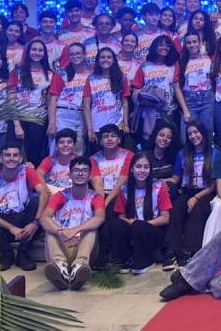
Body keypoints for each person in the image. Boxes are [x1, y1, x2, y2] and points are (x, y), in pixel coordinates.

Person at [0, 142, 48, 271]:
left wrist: (35, 223)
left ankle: (23, 252)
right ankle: (7, 252)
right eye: (7, 155)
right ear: (0, 158)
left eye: (15, 155)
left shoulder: (27, 171)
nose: (11, 158)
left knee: (37, 201)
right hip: (3, 226)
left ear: (20, 159)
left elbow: (43, 193)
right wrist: (11, 228)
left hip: (25, 223)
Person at [163, 119, 221, 269]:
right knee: (176, 208)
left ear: (202, 132)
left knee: (197, 210)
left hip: (206, 192)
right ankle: (171, 251)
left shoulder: (215, 153)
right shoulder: (182, 154)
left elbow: (214, 184)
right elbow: (176, 177)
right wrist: (159, 181)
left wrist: (197, 197)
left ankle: (189, 251)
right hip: (187, 190)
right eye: (189, 133)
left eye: (196, 132)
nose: (193, 136)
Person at [40, 156, 105, 290]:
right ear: (69, 175)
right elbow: (44, 217)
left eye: (84, 170)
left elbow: (100, 218)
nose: (80, 174)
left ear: (90, 176)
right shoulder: (60, 196)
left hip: (83, 248)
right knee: (50, 229)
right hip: (61, 245)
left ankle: (79, 267)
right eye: (76, 170)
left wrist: (74, 230)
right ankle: (60, 267)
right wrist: (61, 233)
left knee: (91, 229)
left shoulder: (95, 197)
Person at [110, 151, 172, 274]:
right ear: (131, 169)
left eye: (146, 167)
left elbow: (165, 218)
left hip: (153, 230)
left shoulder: (159, 186)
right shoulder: (125, 189)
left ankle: (145, 261)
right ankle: (124, 260)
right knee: (116, 224)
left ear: (150, 169)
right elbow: (121, 216)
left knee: (138, 226)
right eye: (138, 167)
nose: (142, 170)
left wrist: (141, 224)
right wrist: (130, 222)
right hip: (133, 226)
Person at [90, 124, 134, 268]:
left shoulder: (128, 156)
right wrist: (100, 203)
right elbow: (97, 183)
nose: (109, 139)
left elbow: (122, 183)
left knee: (110, 208)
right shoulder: (93, 159)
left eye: (113, 136)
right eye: (106, 137)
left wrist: (105, 203)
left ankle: (103, 252)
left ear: (119, 139)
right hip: (100, 194)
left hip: (122, 194)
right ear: (100, 141)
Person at [7, 38, 53, 166]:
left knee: (34, 156)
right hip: (18, 119)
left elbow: (51, 101)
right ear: (28, 52)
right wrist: (17, 125)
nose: (36, 53)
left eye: (40, 50)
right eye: (34, 49)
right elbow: (11, 100)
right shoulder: (17, 72)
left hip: (38, 120)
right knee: (14, 156)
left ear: (44, 54)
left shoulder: (50, 74)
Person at [132, 35, 180, 145]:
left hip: (169, 112)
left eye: (167, 45)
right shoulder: (144, 66)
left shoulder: (174, 66)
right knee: (148, 144)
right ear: (154, 47)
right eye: (160, 45)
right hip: (147, 113)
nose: (164, 47)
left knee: (168, 144)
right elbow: (136, 89)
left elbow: (178, 88)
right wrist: (142, 100)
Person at [83, 47, 131, 148]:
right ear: (98, 60)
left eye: (109, 57)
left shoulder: (121, 78)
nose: (105, 60)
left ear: (113, 60)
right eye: (102, 57)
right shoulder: (91, 79)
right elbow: (86, 105)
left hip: (117, 125)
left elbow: (124, 102)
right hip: (97, 125)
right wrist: (90, 129)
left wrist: (126, 124)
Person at [47, 42, 88, 156]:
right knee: (57, 151)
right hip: (63, 114)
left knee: (78, 152)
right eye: (72, 54)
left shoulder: (90, 75)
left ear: (84, 55)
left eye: (78, 53)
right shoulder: (61, 74)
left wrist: (88, 123)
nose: (75, 56)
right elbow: (53, 100)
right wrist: (52, 123)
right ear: (68, 56)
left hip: (81, 115)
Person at [175, 31, 215, 136]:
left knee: (207, 132)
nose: (192, 45)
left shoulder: (208, 59)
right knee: (185, 135)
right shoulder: (181, 62)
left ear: (200, 43)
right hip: (190, 102)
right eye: (189, 43)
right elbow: (177, 87)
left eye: (194, 42)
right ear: (185, 45)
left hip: (207, 100)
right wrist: (185, 109)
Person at [147, 122, 182, 199]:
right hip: (148, 189)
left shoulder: (174, 156)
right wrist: (157, 185)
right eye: (161, 135)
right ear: (155, 136)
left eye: (169, 137)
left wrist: (161, 183)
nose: (164, 139)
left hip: (168, 190)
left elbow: (175, 179)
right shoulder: (144, 156)